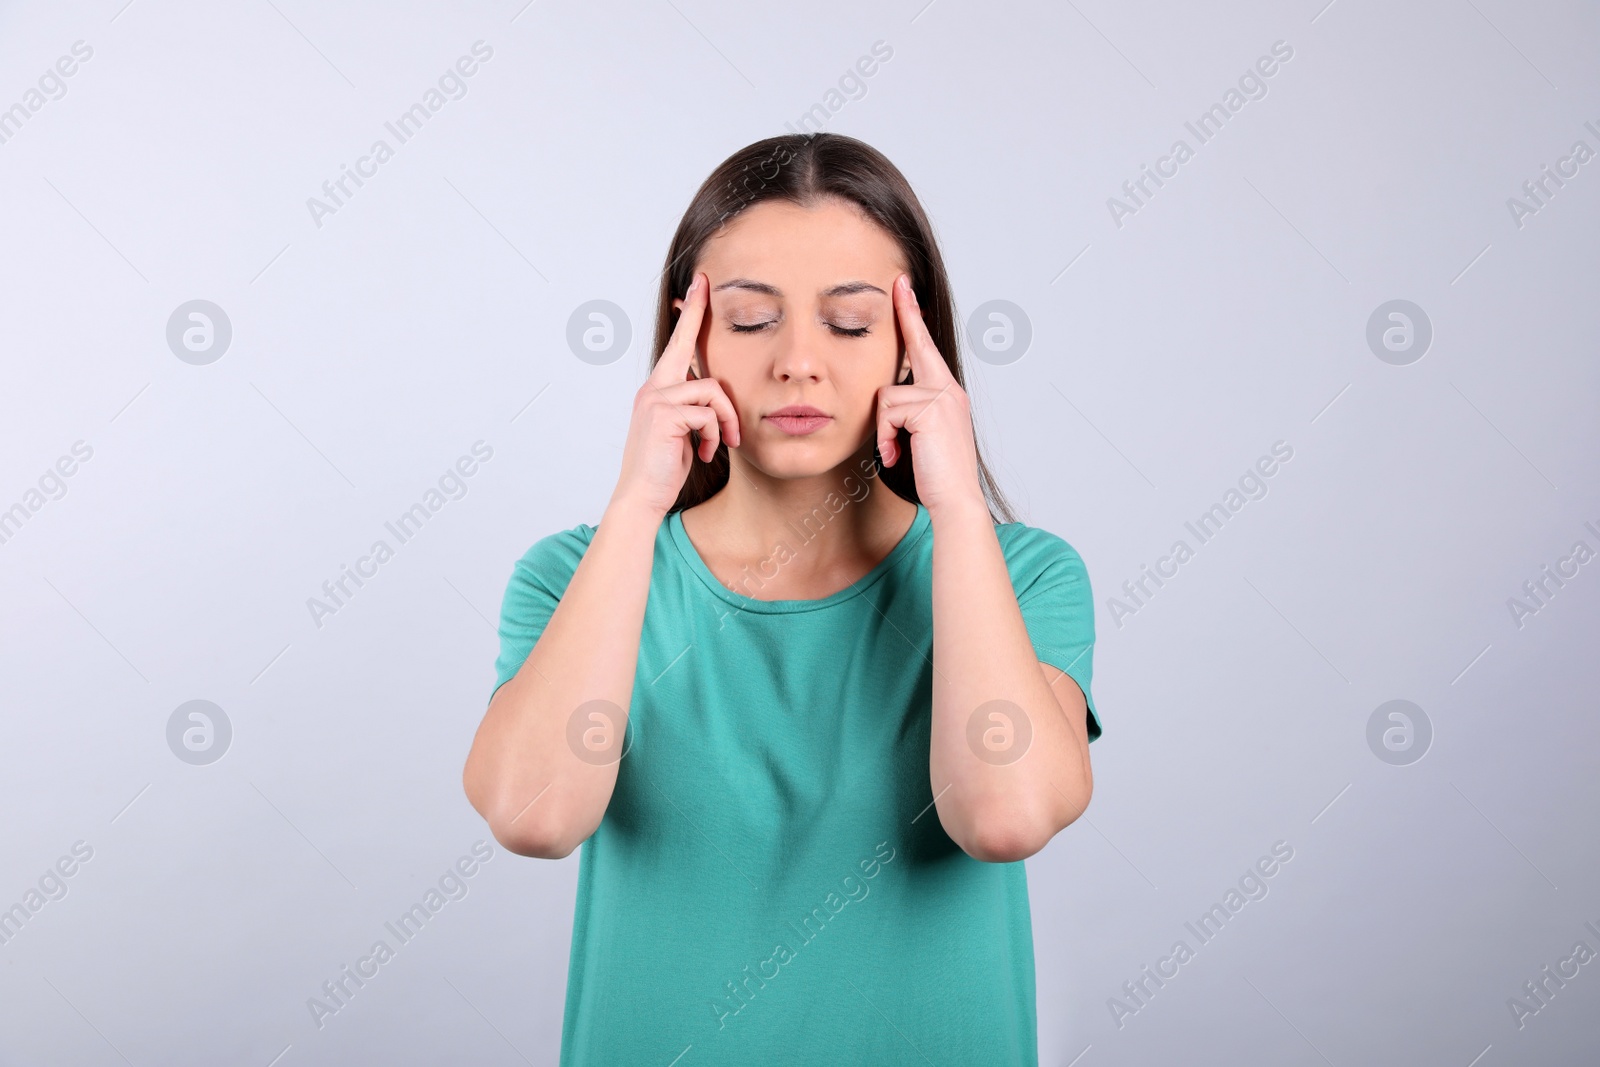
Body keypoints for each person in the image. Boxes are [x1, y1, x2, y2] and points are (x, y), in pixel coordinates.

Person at [462, 131, 1102, 1066]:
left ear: (911, 344)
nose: (800, 362)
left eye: (849, 325)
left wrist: (959, 507)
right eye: (754, 320)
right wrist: (637, 504)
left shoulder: (1027, 575)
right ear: (690, 337)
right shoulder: (573, 575)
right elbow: (534, 815)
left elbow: (1002, 815)